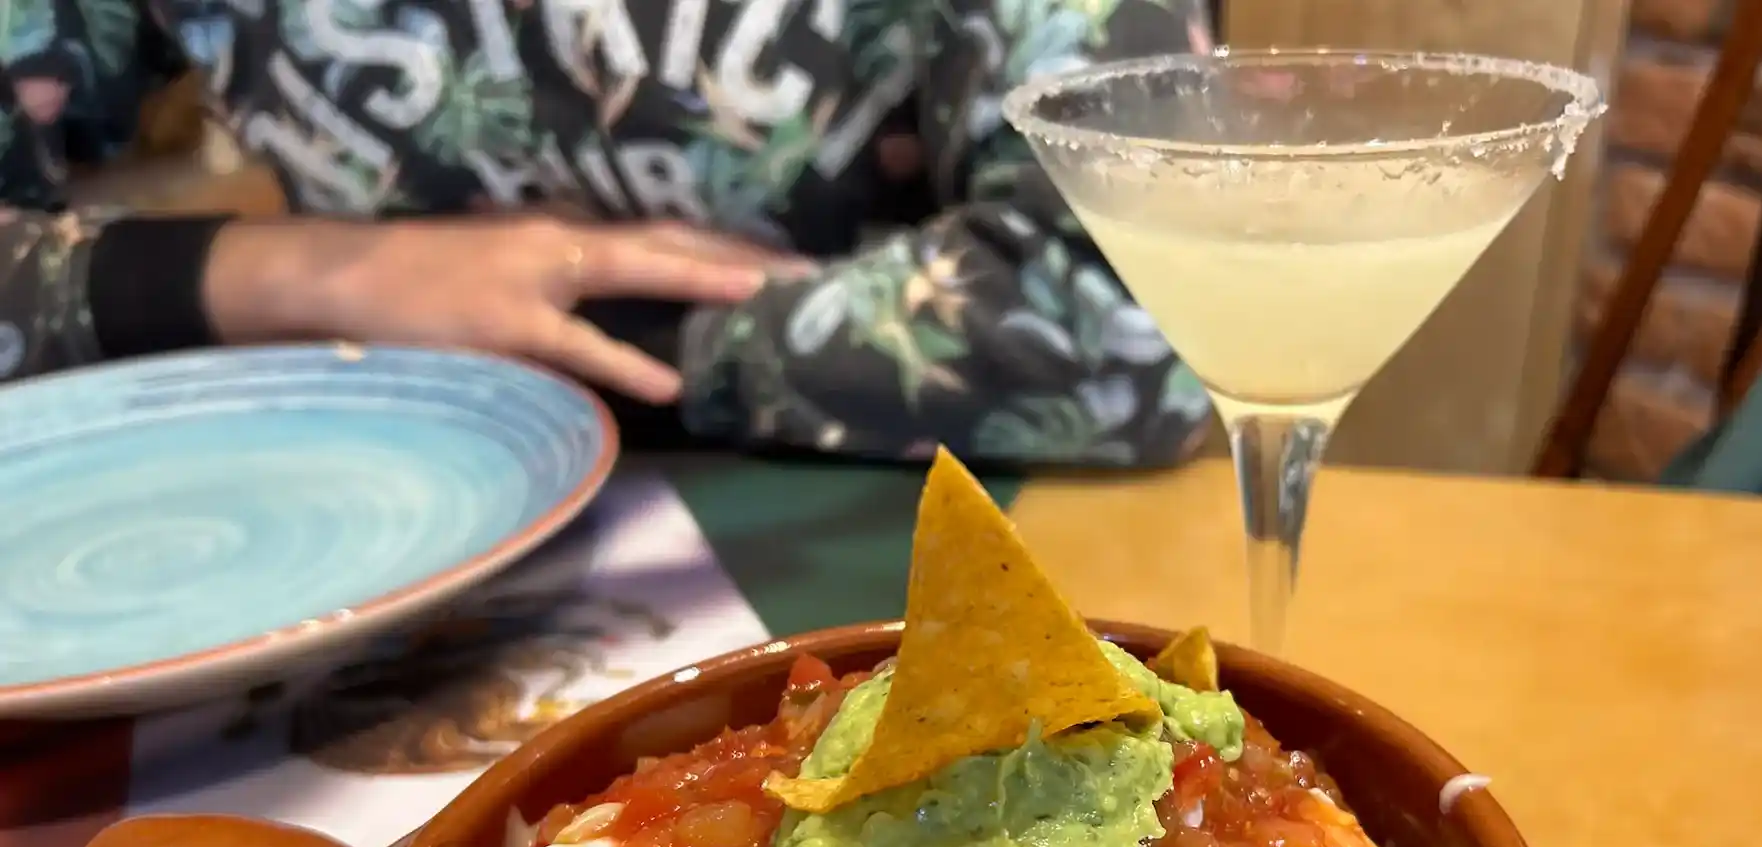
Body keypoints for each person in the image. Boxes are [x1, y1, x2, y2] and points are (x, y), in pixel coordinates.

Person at [0, 0, 1215, 466]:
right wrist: (286, 273)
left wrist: (527, 323)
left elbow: (1140, 317)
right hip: (353, 502)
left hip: (886, 520)